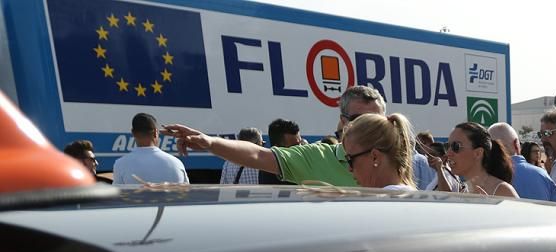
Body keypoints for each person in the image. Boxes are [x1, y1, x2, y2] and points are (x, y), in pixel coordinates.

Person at [166, 86, 405, 188]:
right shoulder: (316, 157)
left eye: (376, 120)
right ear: (343, 123)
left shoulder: (401, 159)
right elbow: (257, 155)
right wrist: (210, 141)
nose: (369, 127)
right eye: (359, 120)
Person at [433, 122, 517, 197]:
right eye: (447, 146)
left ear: (478, 153)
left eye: (456, 146)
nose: (448, 153)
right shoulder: (464, 191)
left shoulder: (503, 191)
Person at [339, 113, 417, 189]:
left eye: (350, 159)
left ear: (375, 157)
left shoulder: (380, 200)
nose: (349, 168)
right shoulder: (415, 197)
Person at [489, 122, 556, 201]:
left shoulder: (481, 178)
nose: (537, 154)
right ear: (516, 144)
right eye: (534, 151)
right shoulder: (542, 175)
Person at [112, 113, 188, 185]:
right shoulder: (177, 163)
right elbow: (186, 193)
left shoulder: (120, 164)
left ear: (133, 133)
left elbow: (118, 196)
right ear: (155, 132)